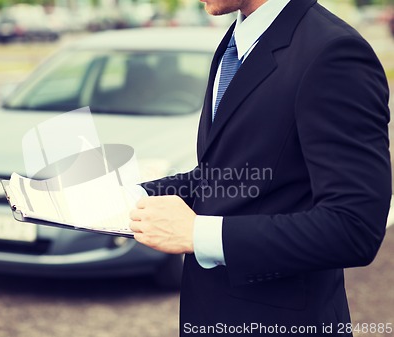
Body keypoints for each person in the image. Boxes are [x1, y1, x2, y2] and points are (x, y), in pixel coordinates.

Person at [129, 0, 391, 335]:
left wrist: (197, 234)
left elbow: (355, 228)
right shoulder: (235, 40)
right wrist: (129, 196)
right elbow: (225, 173)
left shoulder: (334, 52)